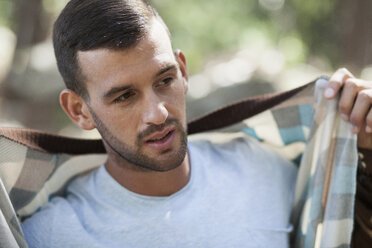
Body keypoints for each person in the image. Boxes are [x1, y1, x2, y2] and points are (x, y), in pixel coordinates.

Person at [21, 0, 372, 247]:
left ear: (183, 71)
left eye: (164, 80)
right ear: (78, 110)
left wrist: (365, 144)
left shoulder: (263, 169)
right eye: (124, 96)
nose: (158, 114)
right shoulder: (49, 235)